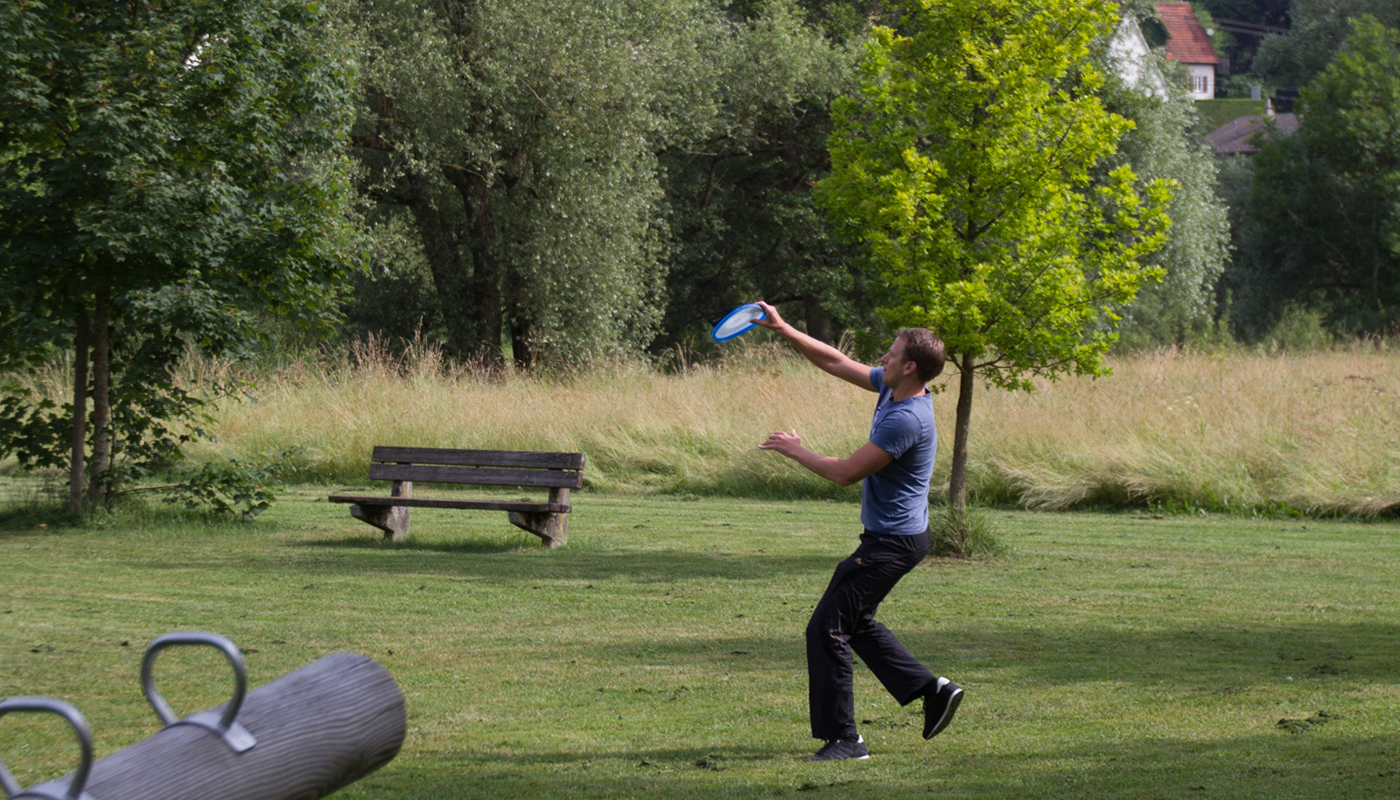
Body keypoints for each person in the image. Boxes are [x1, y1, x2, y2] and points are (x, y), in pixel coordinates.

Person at [753, 300, 962, 763]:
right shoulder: (894, 391)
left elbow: (847, 472)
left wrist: (795, 450)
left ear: (910, 366)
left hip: (891, 544)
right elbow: (836, 361)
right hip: (896, 538)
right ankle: (930, 690)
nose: (882, 358)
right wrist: (784, 328)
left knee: (826, 628)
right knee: (854, 621)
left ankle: (846, 740)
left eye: (891, 353)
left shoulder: (907, 418)